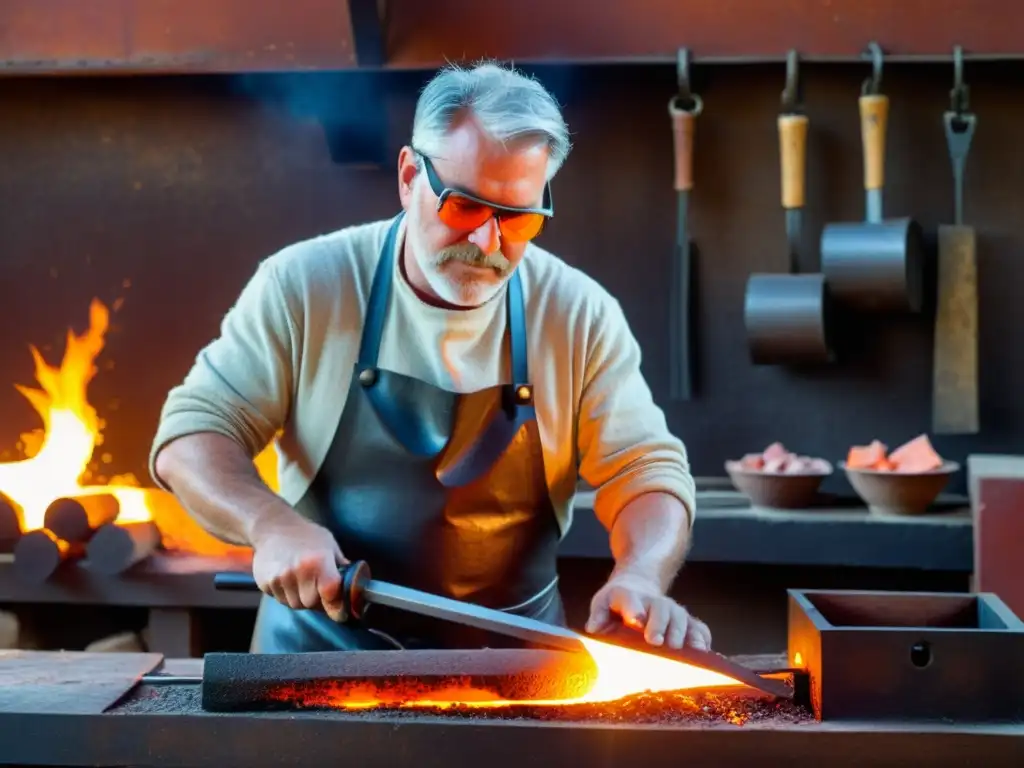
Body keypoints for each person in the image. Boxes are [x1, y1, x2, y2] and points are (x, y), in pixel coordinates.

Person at [150, 61, 711, 654]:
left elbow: (644, 470)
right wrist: (271, 526)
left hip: (514, 671)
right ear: (409, 175)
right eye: (465, 206)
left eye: (517, 217)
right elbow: (192, 436)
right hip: (316, 662)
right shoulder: (305, 286)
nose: (487, 243)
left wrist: (640, 575)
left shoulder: (577, 312)